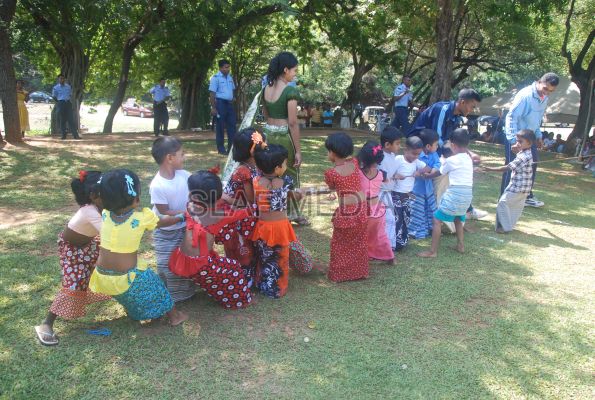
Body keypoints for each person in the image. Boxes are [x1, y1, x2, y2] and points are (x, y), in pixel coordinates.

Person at [89, 169, 188, 325]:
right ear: (136, 198)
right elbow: (164, 221)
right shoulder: (141, 218)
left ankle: (136, 312)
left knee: (127, 293)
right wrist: (182, 217)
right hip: (126, 277)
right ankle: (175, 316)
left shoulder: (105, 214)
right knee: (157, 285)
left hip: (102, 276)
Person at [34, 171, 110, 346]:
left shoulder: (100, 207)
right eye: (107, 193)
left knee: (104, 272)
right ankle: (46, 323)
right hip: (72, 250)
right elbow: (109, 232)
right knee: (74, 283)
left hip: (89, 243)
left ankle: (130, 305)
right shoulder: (89, 211)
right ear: (93, 196)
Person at [168, 170, 253, 308]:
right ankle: (241, 300)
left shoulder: (190, 205)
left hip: (182, 257)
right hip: (201, 265)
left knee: (219, 260)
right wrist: (226, 197)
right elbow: (246, 209)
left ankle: (212, 282)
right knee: (234, 268)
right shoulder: (218, 214)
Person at [408, 88, 487, 221]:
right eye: (472, 106)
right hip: (421, 149)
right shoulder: (442, 110)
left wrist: (469, 153)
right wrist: (459, 155)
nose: (472, 110)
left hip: (434, 148)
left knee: (456, 169)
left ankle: (466, 209)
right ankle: (444, 212)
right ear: (462, 102)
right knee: (450, 170)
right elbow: (438, 140)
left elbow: (453, 141)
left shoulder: (455, 117)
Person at [262, 51, 309, 226]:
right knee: (290, 173)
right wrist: (298, 151)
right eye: (294, 70)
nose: (295, 74)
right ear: (285, 69)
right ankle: (293, 214)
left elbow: (265, 114)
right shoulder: (290, 91)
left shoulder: (265, 89)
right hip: (284, 137)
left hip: (268, 135)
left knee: (271, 173)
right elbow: (293, 122)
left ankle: (276, 210)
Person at [149, 136, 197, 304]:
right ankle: (170, 295)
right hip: (165, 232)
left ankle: (186, 292)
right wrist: (186, 213)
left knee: (185, 258)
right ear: (170, 158)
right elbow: (164, 212)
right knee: (167, 264)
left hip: (184, 228)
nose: (184, 157)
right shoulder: (157, 185)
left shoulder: (184, 175)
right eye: (181, 154)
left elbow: (194, 193)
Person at [503, 72, 559, 208]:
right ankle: (504, 199)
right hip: (518, 139)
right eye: (545, 88)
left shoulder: (544, 98)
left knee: (531, 166)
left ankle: (526, 196)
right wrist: (513, 141)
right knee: (512, 168)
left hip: (531, 139)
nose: (547, 92)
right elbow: (511, 117)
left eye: (551, 91)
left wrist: (539, 135)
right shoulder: (525, 95)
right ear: (539, 82)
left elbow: (537, 120)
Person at [252, 143, 301, 297]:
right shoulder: (286, 181)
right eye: (285, 163)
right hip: (280, 228)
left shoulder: (256, 181)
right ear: (278, 168)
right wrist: (300, 194)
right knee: (281, 258)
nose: (286, 166)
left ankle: (264, 285)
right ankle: (279, 288)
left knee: (265, 257)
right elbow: (294, 196)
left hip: (263, 227)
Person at [418, 129, 474, 257]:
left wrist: (427, 176)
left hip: (456, 193)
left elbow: (439, 172)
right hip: (467, 196)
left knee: (437, 219)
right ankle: (460, 245)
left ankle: (432, 251)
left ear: (452, 145)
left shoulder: (451, 160)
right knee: (458, 218)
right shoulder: (468, 158)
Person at [324, 132, 369, 282]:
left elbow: (332, 187)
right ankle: (359, 272)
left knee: (340, 243)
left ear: (332, 153)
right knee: (359, 242)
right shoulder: (355, 163)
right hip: (361, 209)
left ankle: (338, 275)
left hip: (346, 213)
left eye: (328, 151)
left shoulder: (331, 174)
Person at [222, 128, 262, 283]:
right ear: (253, 150)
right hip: (239, 218)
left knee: (249, 249)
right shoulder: (244, 171)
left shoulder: (252, 166)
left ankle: (249, 277)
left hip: (246, 215)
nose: (265, 146)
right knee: (243, 251)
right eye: (262, 143)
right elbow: (249, 200)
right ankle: (243, 280)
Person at [484, 129, 536, 233]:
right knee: (514, 207)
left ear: (529, 143)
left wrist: (489, 169)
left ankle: (504, 227)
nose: (517, 143)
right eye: (517, 141)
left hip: (518, 187)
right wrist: (516, 151)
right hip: (524, 188)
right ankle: (506, 226)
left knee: (503, 203)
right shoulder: (525, 153)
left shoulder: (523, 157)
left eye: (520, 142)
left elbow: (508, 167)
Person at [358, 141, 395, 263]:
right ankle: (390, 257)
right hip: (377, 210)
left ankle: (363, 255)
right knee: (380, 235)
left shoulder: (358, 173)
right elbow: (387, 180)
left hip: (362, 210)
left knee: (361, 235)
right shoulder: (382, 174)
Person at [392, 136, 430, 251]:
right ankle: (394, 242)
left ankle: (402, 240)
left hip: (408, 196)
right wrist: (396, 176)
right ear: (405, 150)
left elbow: (428, 168)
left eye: (418, 154)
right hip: (396, 195)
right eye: (414, 154)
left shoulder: (416, 162)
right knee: (397, 218)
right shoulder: (398, 159)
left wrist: (419, 171)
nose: (415, 156)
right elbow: (388, 173)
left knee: (406, 218)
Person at [409, 129, 441, 239]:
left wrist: (433, 170)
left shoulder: (434, 154)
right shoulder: (417, 155)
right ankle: (416, 231)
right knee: (418, 210)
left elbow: (437, 163)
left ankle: (430, 228)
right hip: (417, 189)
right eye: (436, 144)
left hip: (428, 188)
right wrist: (425, 171)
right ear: (428, 146)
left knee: (430, 208)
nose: (437, 147)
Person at [378, 126, 403, 250]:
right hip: (380, 193)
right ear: (387, 144)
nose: (399, 146)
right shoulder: (380, 157)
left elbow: (390, 172)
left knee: (389, 218)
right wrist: (393, 177)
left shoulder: (392, 155)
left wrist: (395, 175)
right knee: (387, 218)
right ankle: (385, 246)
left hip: (388, 192)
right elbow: (380, 175)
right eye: (397, 144)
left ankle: (387, 244)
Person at [209, 59, 236, 155]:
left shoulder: (230, 78)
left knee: (232, 126)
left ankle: (231, 148)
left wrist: (232, 97)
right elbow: (212, 94)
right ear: (220, 68)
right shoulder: (215, 78)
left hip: (229, 104)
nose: (228, 69)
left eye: (229, 67)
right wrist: (213, 107)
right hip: (220, 104)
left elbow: (232, 89)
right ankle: (221, 149)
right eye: (226, 67)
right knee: (220, 127)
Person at [52, 74, 80, 140]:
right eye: (60, 78)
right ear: (58, 80)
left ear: (65, 79)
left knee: (71, 120)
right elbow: (54, 96)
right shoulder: (55, 88)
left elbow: (70, 95)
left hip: (68, 103)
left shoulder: (68, 86)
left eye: (63, 78)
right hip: (61, 103)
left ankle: (76, 135)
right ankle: (63, 135)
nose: (62, 80)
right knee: (62, 120)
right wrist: (59, 102)